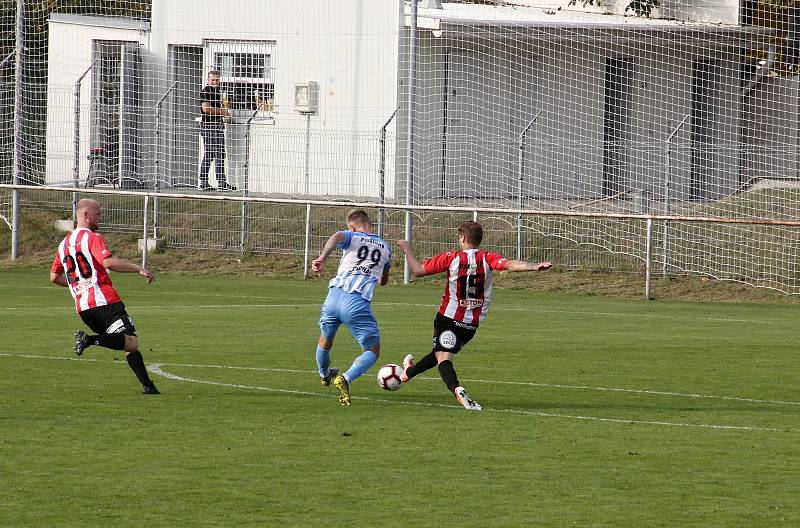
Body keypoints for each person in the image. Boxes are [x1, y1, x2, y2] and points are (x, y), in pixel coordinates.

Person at [395, 221, 552, 411]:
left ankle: (457, 389)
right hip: (470, 325)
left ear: (462, 238)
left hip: (448, 317)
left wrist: (406, 248)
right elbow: (510, 265)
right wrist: (534, 266)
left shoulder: (451, 258)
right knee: (440, 352)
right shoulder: (487, 258)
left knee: (443, 357)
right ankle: (408, 373)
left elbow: (418, 270)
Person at [49, 199, 160, 395]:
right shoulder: (92, 237)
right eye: (97, 214)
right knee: (131, 341)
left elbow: (54, 277)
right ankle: (89, 340)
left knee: (125, 342)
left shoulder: (63, 244)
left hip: (84, 309)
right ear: (85, 215)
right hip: (105, 302)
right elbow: (107, 263)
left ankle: (148, 386)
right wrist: (138, 268)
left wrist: (81, 285)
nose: (100, 217)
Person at [311, 209, 392, 406]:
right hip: (356, 302)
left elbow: (337, 236)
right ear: (370, 225)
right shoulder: (385, 247)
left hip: (333, 296)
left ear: (352, 226)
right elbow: (383, 280)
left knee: (325, 340)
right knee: (372, 350)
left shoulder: (352, 236)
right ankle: (345, 378)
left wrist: (322, 257)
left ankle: (324, 374)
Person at [199, 70, 236, 191]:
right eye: (212, 80)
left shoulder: (218, 92)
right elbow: (206, 109)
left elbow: (219, 106)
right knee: (209, 154)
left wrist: (225, 109)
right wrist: (222, 112)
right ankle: (203, 182)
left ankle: (222, 182)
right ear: (208, 80)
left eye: (217, 80)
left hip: (218, 126)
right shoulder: (206, 91)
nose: (215, 82)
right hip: (209, 126)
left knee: (220, 154)